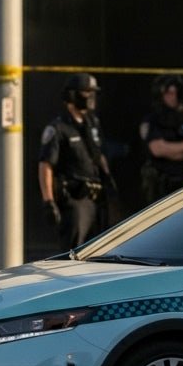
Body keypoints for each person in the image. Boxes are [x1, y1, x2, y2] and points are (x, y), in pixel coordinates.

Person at [38, 73, 112, 248]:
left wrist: (109, 184)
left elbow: (98, 155)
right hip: (75, 200)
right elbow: (45, 164)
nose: (91, 97)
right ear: (73, 95)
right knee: (74, 250)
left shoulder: (92, 123)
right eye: (87, 92)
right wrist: (48, 201)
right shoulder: (58, 128)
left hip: (96, 199)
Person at [138, 74, 183, 205]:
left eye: (174, 93)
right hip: (159, 185)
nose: (172, 97)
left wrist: (172, 149)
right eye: (168, 93)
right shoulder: (152, 121)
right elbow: (157, 149)